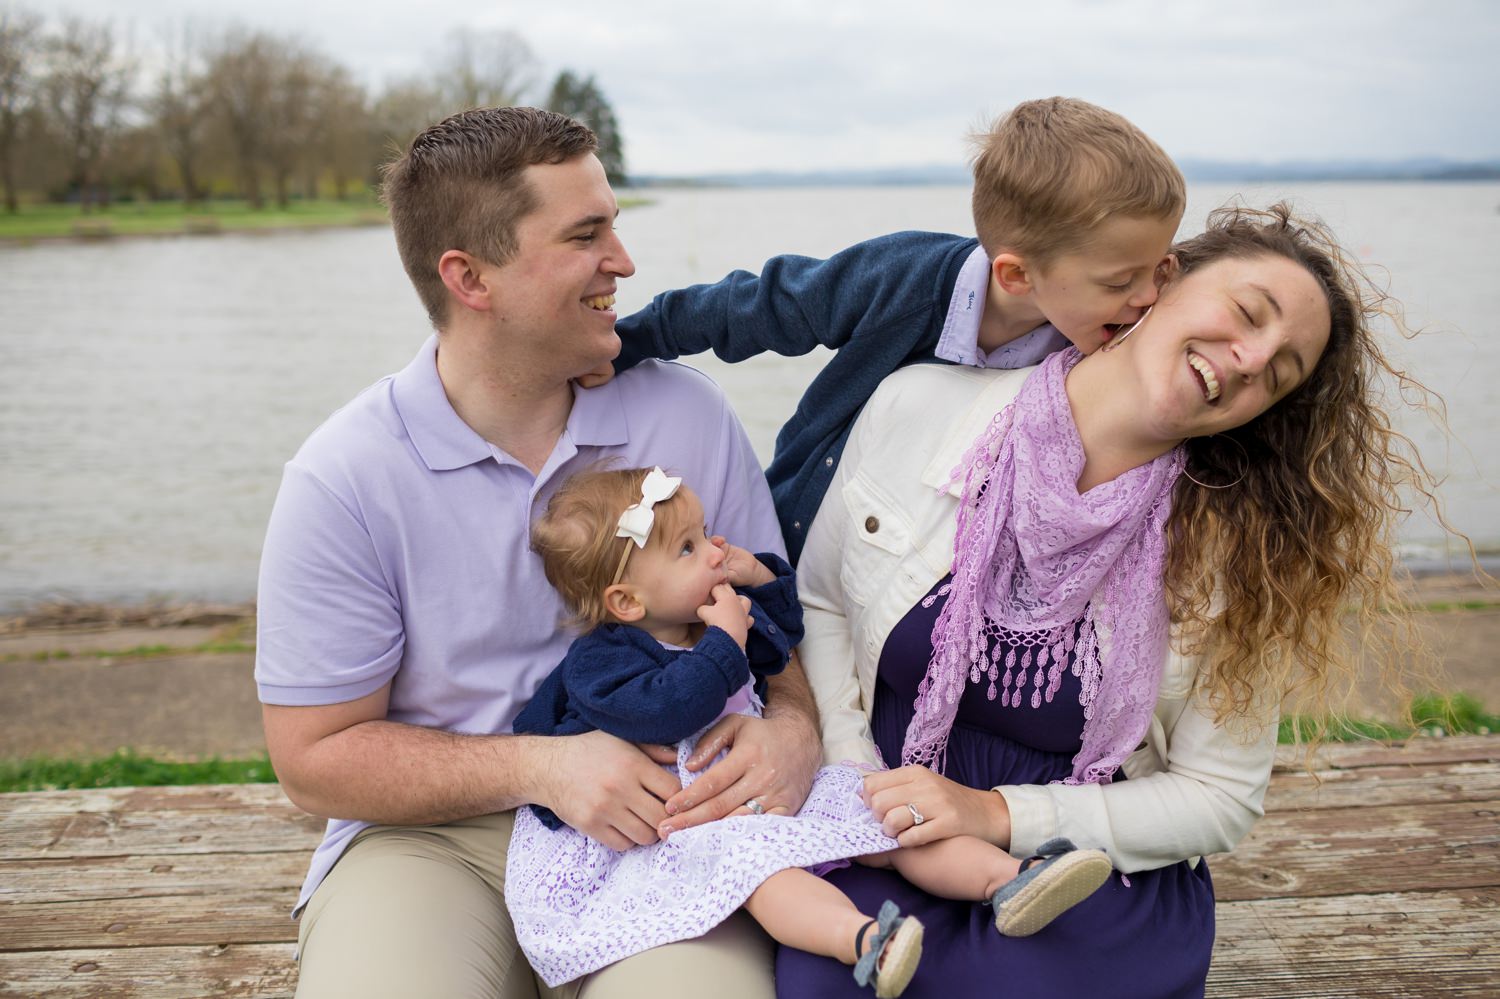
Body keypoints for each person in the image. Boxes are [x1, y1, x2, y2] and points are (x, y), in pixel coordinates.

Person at [779, 203, 1440, 997]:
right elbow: (819, 602)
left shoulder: (1246, 551)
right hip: (882, 820)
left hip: (1088, 872)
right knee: (824, 981)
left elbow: (1220, 797)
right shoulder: (918, 405)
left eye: (1280, 370)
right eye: (1247, 313)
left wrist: (999, 815)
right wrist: (855, 786)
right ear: (1163, 279)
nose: (1248, 359)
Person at [253, 107, 825, 999]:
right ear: (470, 277)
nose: (625, 263)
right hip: (434, 839)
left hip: (673, 821)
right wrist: (543, 765)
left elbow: (767, 622)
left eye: (616, 227)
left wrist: (793, 727)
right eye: (586, 234)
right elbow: (311, 757)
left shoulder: (689, 416)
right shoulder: (344, 476)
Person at [503, 466, 1114, 997]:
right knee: (764, 873)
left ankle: (1010, 882)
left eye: (704, 532)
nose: (713, 550)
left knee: (877, 810)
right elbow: (670, 711)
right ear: (627, 602)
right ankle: (867, 942)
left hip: (764, 786)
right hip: (684, 823)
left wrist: (761, 583)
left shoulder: (710, 620)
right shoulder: (602, 661)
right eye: (687, 550)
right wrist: (725, 641)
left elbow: (781, 640)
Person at [606, 97, 1186, 563]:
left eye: (1159, 267)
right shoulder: (898, 279)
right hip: (808, 535)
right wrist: (622, 345)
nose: (1147, 298)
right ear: (1016, 275)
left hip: (929, 582)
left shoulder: (1104, 346)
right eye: (1120, 281)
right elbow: (759, 307)